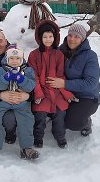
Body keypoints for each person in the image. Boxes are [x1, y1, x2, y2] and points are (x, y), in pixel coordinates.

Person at [0, 44, 40, 162]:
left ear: (22, 59)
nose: (14, 61)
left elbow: (31, 86)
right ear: (7, 59)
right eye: (12, 58)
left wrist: (22, 79)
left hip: (21, 103)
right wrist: (6, 78)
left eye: (17, 58)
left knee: (27, 122)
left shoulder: (28, 71)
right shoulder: (0, 70)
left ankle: (27, 148)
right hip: (2, 103)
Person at [28, 20, 76, 149]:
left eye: (50, 36)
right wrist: (37, 93)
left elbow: (60, 76)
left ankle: (60, 136)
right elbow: (33, 76)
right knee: (40, 114)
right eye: (45, 37)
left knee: (60, 114)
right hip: (41, 91)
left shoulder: (59, 54)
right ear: (40, 38)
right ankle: (38, 137)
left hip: (56, 91)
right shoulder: (34, 55)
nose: (48, 39)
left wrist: (66, 93)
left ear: (55, 37)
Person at [47, 23, 100, 136]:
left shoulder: (90, 56)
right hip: (66, 94)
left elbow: (91, 83)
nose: (72, 39)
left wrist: (64, 84)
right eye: (70, 35)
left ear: (82, 39)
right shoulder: (61, 52)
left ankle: (86, 122)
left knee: (72, 123)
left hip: (87, 97)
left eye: (76, 37)